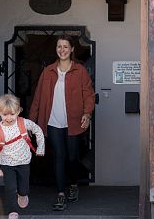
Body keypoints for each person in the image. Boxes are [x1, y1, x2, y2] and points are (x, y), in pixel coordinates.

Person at [29, 34, 95, 211]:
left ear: (72, 49)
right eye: (59, 46)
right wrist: (32, 122)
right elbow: (37, 97)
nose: (62, 50)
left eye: (66, 46)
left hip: (73, 122)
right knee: (59, 157)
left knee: (72, 158)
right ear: (56, 49)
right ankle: (60, 194)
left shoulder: (79, 70)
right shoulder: (48, 71)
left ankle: (73, 184)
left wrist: (87, 114)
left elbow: (88, 94)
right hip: (52, 121)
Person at [0, 94, 45, 219]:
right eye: (5, 114)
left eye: (12, 114)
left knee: (23, 187)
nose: (9, 118)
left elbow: (38, 130)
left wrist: (40, 147)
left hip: (23, 162)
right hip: (7, 164)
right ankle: (12, 210)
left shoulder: (24, 123)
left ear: (18, 111)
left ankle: (23, 194)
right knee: (10, 188)